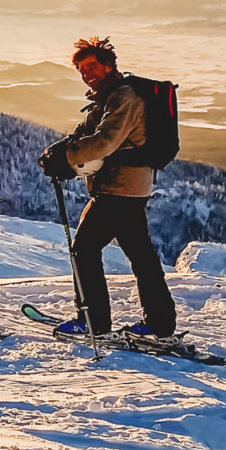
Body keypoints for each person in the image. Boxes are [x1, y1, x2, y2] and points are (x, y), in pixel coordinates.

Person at [38, 36, 178, 340]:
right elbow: (92, 133)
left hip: (118, 189)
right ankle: (159, 324)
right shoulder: (109, 96)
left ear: (107, 65)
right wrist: (63, 151)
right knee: (141, 256)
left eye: (91, 66)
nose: (86, 73)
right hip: (130, 188)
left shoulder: (123, 97)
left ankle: (92, 322)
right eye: (81, 69)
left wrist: (66, 158)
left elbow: (106, 141)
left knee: (83, 250)